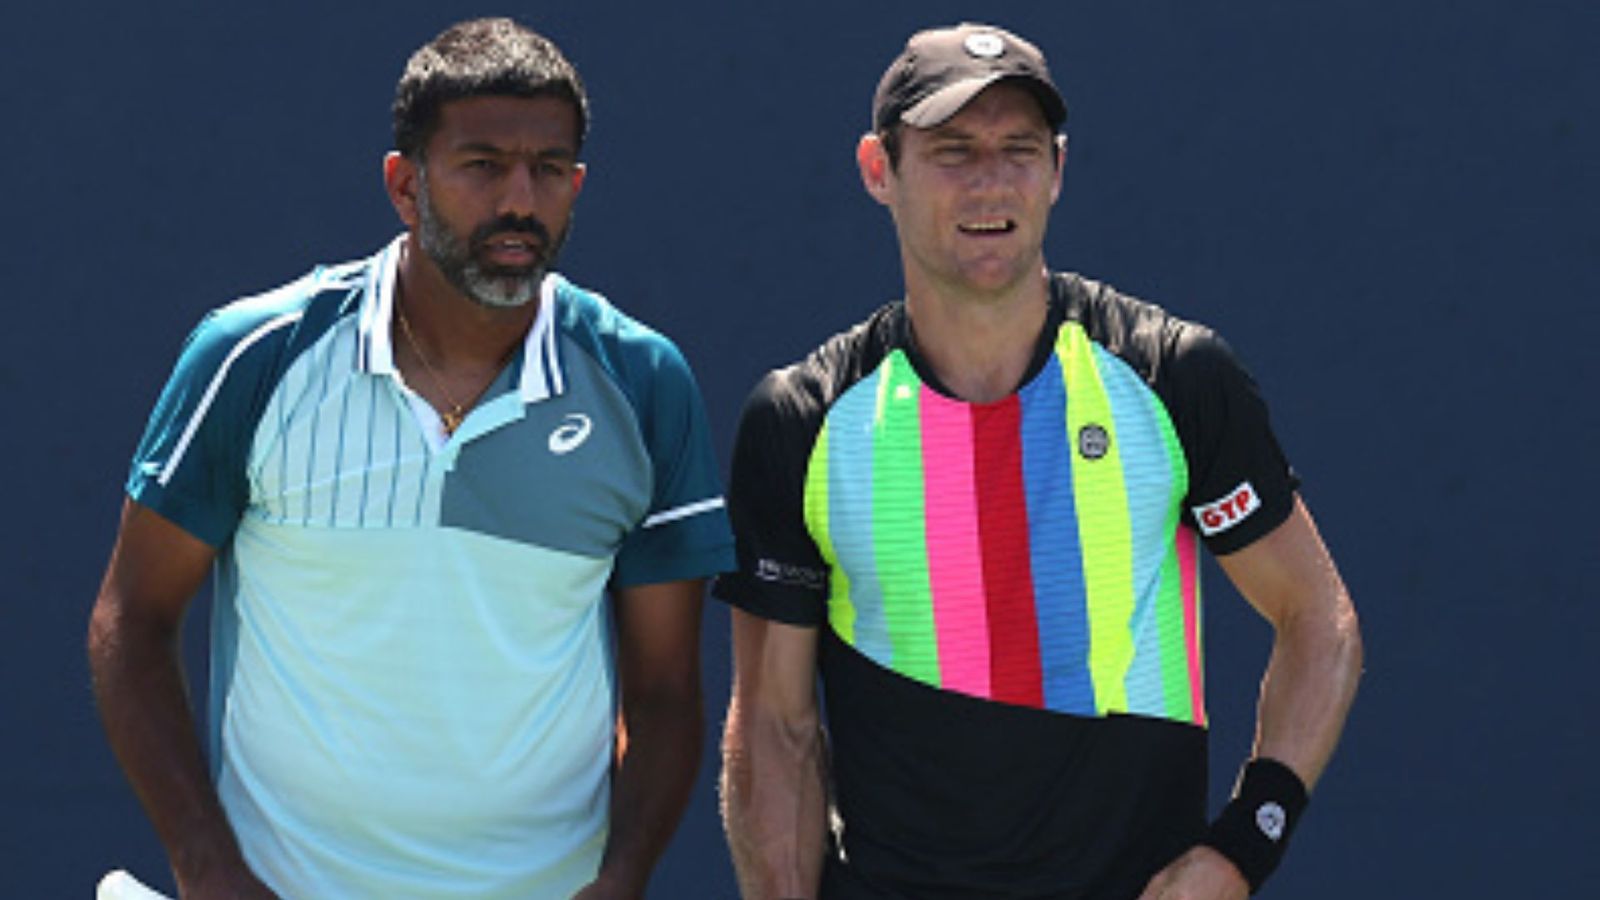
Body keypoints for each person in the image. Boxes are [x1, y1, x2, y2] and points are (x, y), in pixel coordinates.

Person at [87, 18, 734, 899]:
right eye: (481, 165)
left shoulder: (643, 382)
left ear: (576, 185)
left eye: (548, 170)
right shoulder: (255, 356)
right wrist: (206, 865)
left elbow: (663, 693)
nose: (519, 199)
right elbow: (131, 621)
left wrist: (621, 878)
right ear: (404, 184)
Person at [716, 22, 1363, 900]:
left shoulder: (1175, 377)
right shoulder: (802, 419)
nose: (990, 180)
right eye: (952, 150)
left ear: (1057, 169)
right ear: (879, 170)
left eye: (1019, 148)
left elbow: (1316, 618)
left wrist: (1244, 846)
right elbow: (776, 734)